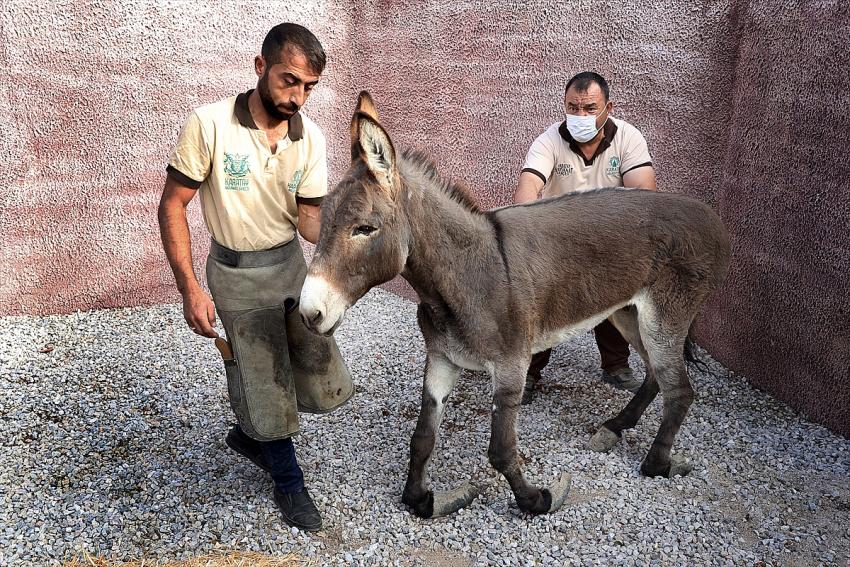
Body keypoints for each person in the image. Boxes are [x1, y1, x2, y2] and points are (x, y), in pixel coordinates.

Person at [157, 23, 353, 532]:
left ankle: (250, 437)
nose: (298, 97)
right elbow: (172, 206)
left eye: (309, 87)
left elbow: (309, 221)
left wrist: (350, 239)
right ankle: (289, 482)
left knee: (319, 377)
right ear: (261, 66)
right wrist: (189, 289)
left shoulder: (311, 137)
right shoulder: (209, 124)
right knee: (266, 379)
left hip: (290, 267)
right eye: (289, 81)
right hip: (235, 274)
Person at [514, 71, 657, 404]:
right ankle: (528, 372)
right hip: (558, 239)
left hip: (610, 238)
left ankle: (616, 366)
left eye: (590, 108)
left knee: (614, 292)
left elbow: (645, 193)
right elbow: (527, 188)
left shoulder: (628, 138)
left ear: (609, 107)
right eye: (573, 108)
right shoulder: (548, 141)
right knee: (540, 300)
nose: (580, 116)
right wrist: (528, 226)